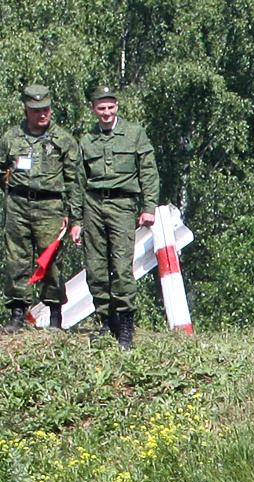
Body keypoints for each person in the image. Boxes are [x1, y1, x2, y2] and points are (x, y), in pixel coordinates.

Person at [76, 85, 157, 349]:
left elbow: (148, 172)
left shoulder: (134, 134)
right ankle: (104, 321)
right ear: (94, 109)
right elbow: (78, 182)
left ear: (117, 107)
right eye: (101, 108)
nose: (107, 113)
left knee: (122, 268)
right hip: (93, 206)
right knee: (96, 269)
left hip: (123, 205)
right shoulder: (86, 141)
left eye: (111, 107)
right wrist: (76, 220)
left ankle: (125, 326)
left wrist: (149, 207)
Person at [0, 85, 81, 333]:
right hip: (18, 205)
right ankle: (17, 313)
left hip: (50, 206)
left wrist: (74, 216)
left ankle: (55, 315)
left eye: (45, 109)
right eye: (36, 110)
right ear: (26, 109)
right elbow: (2, 169)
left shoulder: (63, 140)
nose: (42, 114)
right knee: (16, 259)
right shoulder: (11, 138)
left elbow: (74, 181)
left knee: (50, 261)